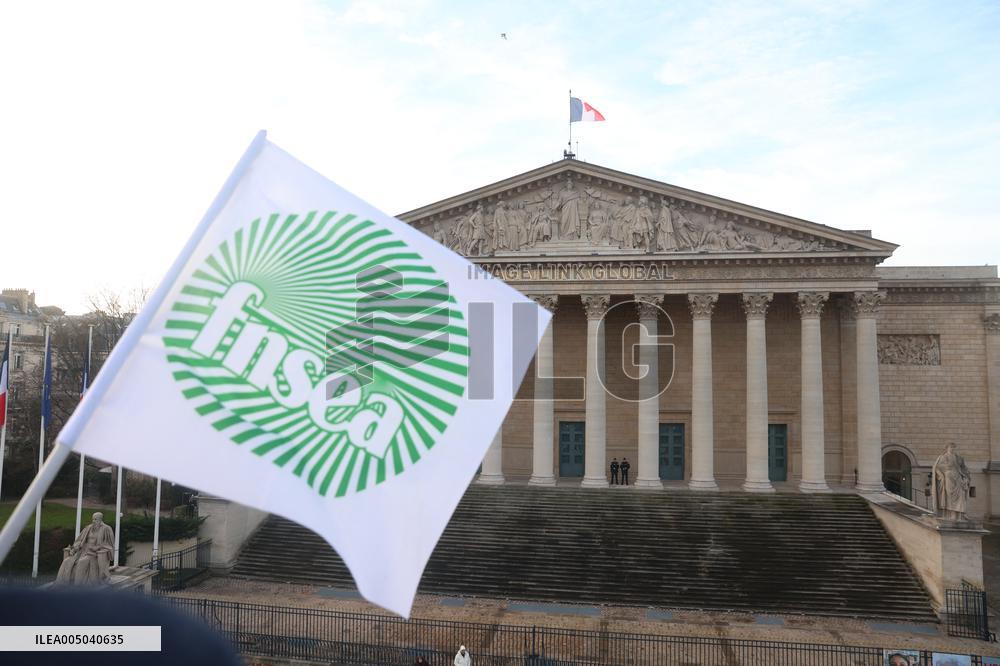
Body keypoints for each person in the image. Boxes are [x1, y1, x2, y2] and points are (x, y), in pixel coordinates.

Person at [56, 511, 116, 585]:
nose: (93, 521)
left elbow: (109, 544)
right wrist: (76, 547)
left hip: (94, 553)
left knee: (82, 562)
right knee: (67, 561)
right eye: (93, 519)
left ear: (100, 519)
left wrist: (97, 547)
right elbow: (80, 540)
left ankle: (78, 584)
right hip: (82, 551)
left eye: (95, 519)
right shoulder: (88, 528)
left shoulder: (106, 529)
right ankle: (63, 582)